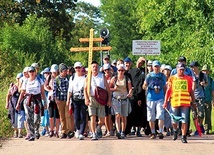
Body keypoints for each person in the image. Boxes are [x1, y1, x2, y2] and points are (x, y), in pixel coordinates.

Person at [163, 63, 195, 143]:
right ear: (177, 69)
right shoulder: (172, 78)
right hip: (175, 102)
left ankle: (183, 136)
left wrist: (193, 101)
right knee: (174, 120)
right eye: (180, 69)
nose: (181, 71)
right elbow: (168, 90)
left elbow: (191, 91)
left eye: (183, 69)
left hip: (185, 102)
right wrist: (165, 102)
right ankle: (175, 130)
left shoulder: (188, 78)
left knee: (184, 120)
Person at [16, 66, 47, 141]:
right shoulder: (26, 81)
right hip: (28, 100)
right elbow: (22, 92)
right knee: (29, 117)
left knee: (37, 117)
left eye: (33, 71)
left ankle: (36, 129)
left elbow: (42, 92)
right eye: (30, 72)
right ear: (28, 73)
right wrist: (18, 103)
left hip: (37, 99)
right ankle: (32, 134)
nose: (32, 73)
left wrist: (45, 102)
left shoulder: (39, 80)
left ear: (35, 72)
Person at [84, 61, 111, 140]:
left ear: (98, 68)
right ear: (91, 68)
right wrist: (86, 98)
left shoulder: (102, 76)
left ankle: (98, 127)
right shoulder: (88, 77)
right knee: (92, 117)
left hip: (101, 99)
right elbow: (85, 89)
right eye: (93, 67)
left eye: (96, 66)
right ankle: (94, 133)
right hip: (92, 98)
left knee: (102, 119)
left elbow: (108, 89)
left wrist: (109, 100)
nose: (94, 68)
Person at [143, 60, 166, 139]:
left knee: (160, 115)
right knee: (150, 116)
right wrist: (146, 85)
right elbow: (144, 86)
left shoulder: (162, 76)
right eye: (155, 66)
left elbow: (165, 86)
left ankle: (160, 131)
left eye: (157, 66)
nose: (156, 68)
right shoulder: (149, 75)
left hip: (160, 97)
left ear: (159, 67)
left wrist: (166, 97)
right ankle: (153, 132)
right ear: (152, 67)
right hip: (150, 98)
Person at [126, 57, 148, 137]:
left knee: (140, 113)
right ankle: (131, 129)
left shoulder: (144, 72)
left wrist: (145, 61)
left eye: (142, 63)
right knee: (132, 112)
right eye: (139, 62)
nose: (140, 63)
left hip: (141, 95)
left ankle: (138, 129)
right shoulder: (131, 71)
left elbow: (142, 84)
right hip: (132, 95)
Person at [109, 64, 132, 139]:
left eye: (122, 70)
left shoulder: (127, 79)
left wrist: (130, 93)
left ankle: (123, 132)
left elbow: (130, 88)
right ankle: (118, 131)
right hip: (116, 99)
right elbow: (109, 88)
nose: (121, 72)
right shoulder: (114, 78)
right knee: (117, 115)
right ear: (117, 71)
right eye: (119, 70)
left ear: (124, 71)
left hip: (124, 99)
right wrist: (114, 89)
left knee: (124, 116)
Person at [53, 63, 74, 139]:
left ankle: (69, 131)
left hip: (67, 99)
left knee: (68, 115)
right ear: (61, 71)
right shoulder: (57, 79)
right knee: (62, 116)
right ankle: (63, 131)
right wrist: (56, 99)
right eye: (65, 71)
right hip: (60, 100)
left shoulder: (68, 78)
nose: (66, 72)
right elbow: (54, 90)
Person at [67, 62, 87, 140]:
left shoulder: (85, 77)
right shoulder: (72, 78)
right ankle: (77, 129)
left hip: (83, 99)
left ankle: (81, 132)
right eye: (76, 68)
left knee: (83, 116)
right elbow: (70, 90)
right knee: (76, 117)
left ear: (82, 68)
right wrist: (68, 100)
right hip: (75, 99)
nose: (78, 69)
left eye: (79, 68)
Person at [189, 61, 208, 135]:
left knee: (201, 114)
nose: (192, 68)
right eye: (191, 67)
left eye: (193, 67)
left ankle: (200, 126)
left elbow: (207, 83)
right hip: (192, 96)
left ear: (197, 67)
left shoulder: (203, 75)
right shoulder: (190, 75)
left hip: (200, 96)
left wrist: (204, 84)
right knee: (194, 114)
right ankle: (198, 129)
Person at [6, 73, 24, 138]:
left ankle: (20, 133)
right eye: (18, 78)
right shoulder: (13, 86)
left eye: (21, 78)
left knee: (21, 118)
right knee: (13, 118)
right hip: (13, 104)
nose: (19, 80)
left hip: (21, 104)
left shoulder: (24, 86)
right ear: (16, 79)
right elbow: (8, 95)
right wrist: (7, 103)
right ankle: (15, 131)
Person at [44, 64, 60, 138]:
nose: (54, 73)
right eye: (53, 72)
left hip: (58, 98)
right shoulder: (49, 77)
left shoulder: (60, 77)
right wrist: (49, 90)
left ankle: (57, 131)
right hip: (51, 98)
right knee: (50, 115)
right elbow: (44, 86)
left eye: (55, 72)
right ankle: (51, 130)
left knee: (57, 115)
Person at [201, 64, 214, 134]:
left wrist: (213, 100)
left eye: (207, 71)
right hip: (200, 99)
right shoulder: (199, 79)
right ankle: (199, 129)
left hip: (208, 99)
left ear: (209, 72)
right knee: (200, 115)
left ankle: (206, 129)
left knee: (208, 115)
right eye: (204, 71)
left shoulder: (211, 80)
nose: (205, 72)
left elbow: (212, 91)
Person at [103, 63, 114, 137]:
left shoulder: (113, 78)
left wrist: (109, 89)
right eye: (106, 70)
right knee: (106, 115)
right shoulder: (102, 78)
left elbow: (115, 88)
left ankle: (111, 129)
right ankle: (108, 130)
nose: (107, 71)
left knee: (111, 115)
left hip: (112, 98)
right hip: (104, 98)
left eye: (108, 69)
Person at [163, 65, 173, 136]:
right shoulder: (162, 79)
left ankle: (172, 128)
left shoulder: (172, 79)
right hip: (163, 98)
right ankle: (166, 128)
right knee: (165, 114)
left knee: (171, 113)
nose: (167, 71)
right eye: (165, 70)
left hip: (171, 98)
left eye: (168, 70)